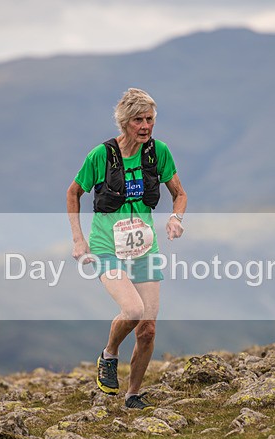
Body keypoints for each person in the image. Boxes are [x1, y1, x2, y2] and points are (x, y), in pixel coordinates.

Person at [67, 88, 187, 410]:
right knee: (133, 311)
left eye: (149, 119)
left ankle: (132, 395)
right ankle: (109, 354)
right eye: (138, 120)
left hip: (144, 248)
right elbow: (73, 193)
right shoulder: (101, 156)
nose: (145, 126)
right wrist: (79, 240)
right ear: (125, 122)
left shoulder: (158, 152)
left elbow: (179, 193)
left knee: (147, 328)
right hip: (108, 247)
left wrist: (175, 219)